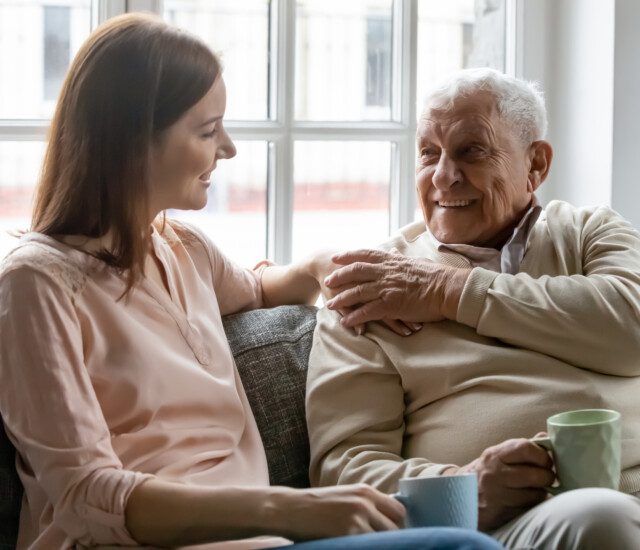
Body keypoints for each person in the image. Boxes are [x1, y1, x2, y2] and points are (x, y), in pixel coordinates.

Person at [0, 13, 504, 550]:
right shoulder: (36, 284)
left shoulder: (182, 249)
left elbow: (259, 289)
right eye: (207, 130)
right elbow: (83, 494)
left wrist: (318, 265)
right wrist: (292, 508)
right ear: (133, 139)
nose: (230, 148)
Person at [306, 68, 640, 549]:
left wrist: (451, 291)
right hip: (511, 523)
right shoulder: (371, 289)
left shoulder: (591, 232)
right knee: (599, 517)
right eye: (428, 153)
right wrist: (462, 486)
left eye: (471, 151)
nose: (443, 175)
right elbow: (344, 469)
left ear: (536, 165)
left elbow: (631, 328)